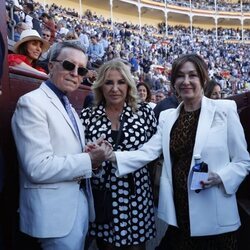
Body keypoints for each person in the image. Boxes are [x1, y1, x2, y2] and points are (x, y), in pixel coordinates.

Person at [109, 54, 250, 250]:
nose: (186, 81)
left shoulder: (224, 110)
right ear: (173, 82)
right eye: (180, 76)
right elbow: (147, 152)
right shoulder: (167, 117)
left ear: (203, 79)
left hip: (215, 215)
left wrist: (220, 177)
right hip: (180, 212)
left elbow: (242, 161)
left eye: (192, 75)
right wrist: (110, 156)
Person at [11, 42, 111, 250]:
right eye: (68, 65)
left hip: (77, 208)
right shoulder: (32, 103)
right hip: (53, 216)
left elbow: (65, 153)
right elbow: (37, 168)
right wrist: (88, 160)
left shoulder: (70, 108)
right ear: (50, 66)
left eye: (81, 70)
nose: (75, 73)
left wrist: (90, 154)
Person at [80, 59, 157, 250]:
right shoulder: (88, 116)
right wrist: (94, 160)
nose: (115, 88)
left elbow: (155, 152)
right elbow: (81, 158)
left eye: (121, 82)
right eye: (108, 82)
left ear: (129, 84)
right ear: (100, 86)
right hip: (104, 199)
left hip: (138, 197)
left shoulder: (145, 112)